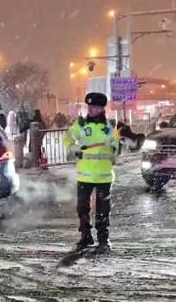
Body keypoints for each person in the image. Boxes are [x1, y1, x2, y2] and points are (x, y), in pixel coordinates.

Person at [63, 92, 119, 253]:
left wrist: (115, 150)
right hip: (84, 175)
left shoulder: (109, 127)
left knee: (103, 210)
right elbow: (67, 140)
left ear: (102, 109)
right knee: (82, 208)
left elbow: (118, 147)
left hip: (104, 176)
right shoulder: (80, 125)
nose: (91, 110)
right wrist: (75, 149)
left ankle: (103, 239)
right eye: (89, 107)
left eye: (95, 107)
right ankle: (85, 236)